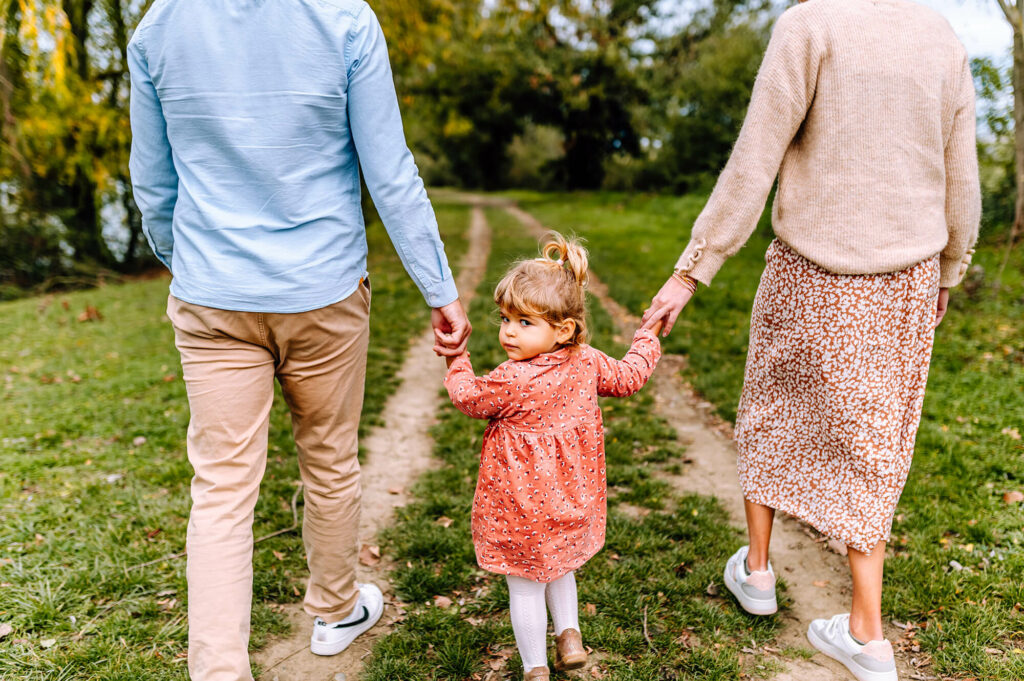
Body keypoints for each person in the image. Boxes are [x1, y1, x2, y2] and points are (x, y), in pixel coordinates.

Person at [127, 1, 471, 679]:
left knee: (221, 489)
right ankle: (337, 609)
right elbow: (389, 170)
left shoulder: (158, 26)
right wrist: (440, 288)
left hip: (212, 296)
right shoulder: (343, 18)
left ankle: (219, 671)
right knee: (329, 458)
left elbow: (153, 184)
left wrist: (190, 260)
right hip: (324, 290)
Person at [641, 1, 980, 680]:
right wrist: (952, 266)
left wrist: (692, 269)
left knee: (771, 404)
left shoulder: (808, 23)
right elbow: (961, 176)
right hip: (906, 277)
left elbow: (754, 158)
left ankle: (759, 571)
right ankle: (867, 631)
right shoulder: (943, 37)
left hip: (810, 266)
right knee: (875, 437)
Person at [444, 233, 661, 680]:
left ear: (562, 329)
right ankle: (569, 635)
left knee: (525, 585)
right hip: (570, 497)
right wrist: (647, 338)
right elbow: (630, 376)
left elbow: (467, 397)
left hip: (518, 507)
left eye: (524, 322)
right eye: (505, 318)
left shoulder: (510, 379)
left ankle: (536, 669)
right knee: (561, 565)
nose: (507, 331)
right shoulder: (587, 362)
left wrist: (456, 358)